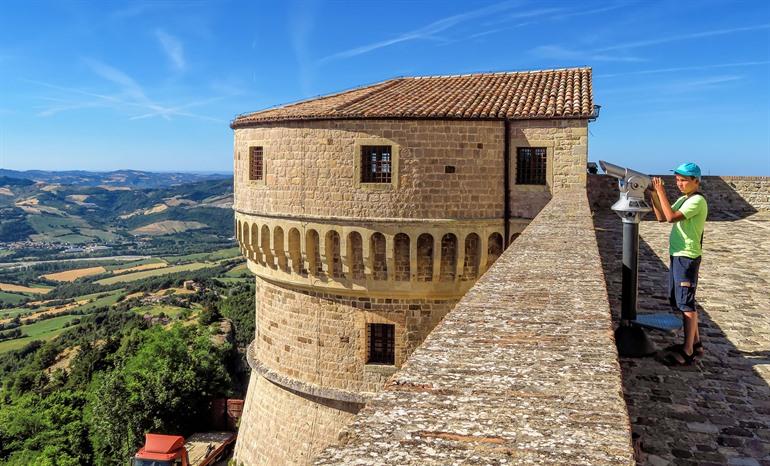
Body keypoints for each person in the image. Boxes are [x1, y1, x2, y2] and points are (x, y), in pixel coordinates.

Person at [648, 162, 708, 365]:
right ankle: (697, 344)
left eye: (684, 180)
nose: (679, 184)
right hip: (678, 255)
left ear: (696, 181)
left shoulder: (697, 201)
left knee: (686, 303)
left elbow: (672, 217)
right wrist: (654, 194)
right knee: (680, 301)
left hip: (687, 257)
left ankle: (688, 350)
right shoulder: (684, 199)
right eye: (677, 180)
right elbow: (661, 217)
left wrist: (661, 190)